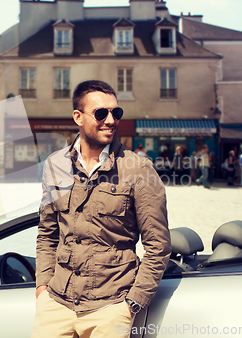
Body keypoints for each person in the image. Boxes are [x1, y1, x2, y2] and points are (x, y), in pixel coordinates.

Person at [32, 80, 171, 338]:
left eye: (115, 113)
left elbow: (158, 245)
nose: (110, 120)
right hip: (56, 304)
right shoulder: (56, 165)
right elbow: (47, 234)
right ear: (78, 117)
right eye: (100, 113)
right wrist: (43, 288)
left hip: (110, 307)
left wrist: (131, 304)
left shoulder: (139, 169)